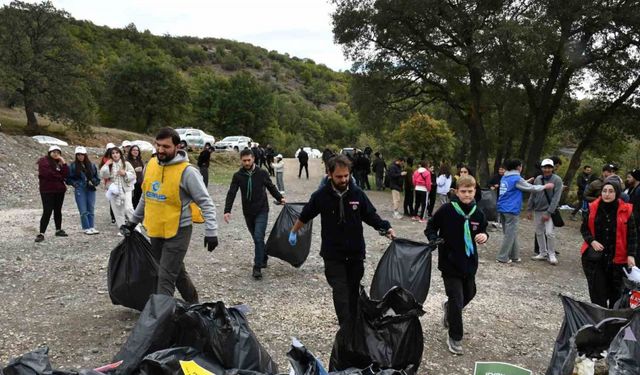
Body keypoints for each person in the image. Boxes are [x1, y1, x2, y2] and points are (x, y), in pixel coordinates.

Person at [289, 155, 395, 326]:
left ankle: (354, 324)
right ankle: (346, 330)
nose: (344, 179)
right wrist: (293, 231)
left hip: (355, 253)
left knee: (353, 290)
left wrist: (385, 228)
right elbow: (306, 215)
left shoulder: (357, 193)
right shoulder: (321, 196)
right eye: (339, 176)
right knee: (340, 291)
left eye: (346, 175)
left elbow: (369, 215)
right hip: (333, 254)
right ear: (329, 174)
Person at [122, 127, 218, 304]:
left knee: (165, 276)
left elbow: (206, 202)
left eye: (165, 146)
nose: (160, 150)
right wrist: (132, 222)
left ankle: (159, 323)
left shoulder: (188, 172)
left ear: (177, 146)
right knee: (176, 271)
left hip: (178, 231)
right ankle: (195, 305)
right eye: (158, 145)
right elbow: (146, 195)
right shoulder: (150, 165)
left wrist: (211, 231)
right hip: (156, 230)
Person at [425, 175, 488, 355]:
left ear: (475, 191)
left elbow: (482, 229)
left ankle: (449, 309)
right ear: (456, 192)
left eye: (470, 191)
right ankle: (455, 336)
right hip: (450, 263)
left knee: (470, 293)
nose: (467, 195)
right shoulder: (446, 210)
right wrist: (433, 238)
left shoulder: (478, 212)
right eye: (463, 191)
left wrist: (484, 236)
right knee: (457, 299)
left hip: (469, 263)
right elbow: (430, 227)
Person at [224, 149, 285, 280]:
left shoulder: (262, 173)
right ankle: (263, 256)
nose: (246, 163)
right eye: (244, 160)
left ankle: (257, 267)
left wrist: (280, 198)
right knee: (256, 238)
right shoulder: (238, 176)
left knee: (258, 237)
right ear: (241, 160)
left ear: (253, 159)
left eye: (249, 160)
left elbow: (271, 186)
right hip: (248, 212)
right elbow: (231, 192)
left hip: (262, 210)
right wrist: (227, 210)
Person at [580, 181, 637, 308]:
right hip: (597, 258)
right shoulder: (592, 207)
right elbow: (584, 229)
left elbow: (632, 235)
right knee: (597, 292)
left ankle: (612, 321)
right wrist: (592, 241)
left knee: (616, 294)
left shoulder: (626, 210)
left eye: (611, 191)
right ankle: (599, 319)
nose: (607, 194)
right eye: (604, 191)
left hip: (618, 259)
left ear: (617, 193)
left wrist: (631, 255)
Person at [496, 159, 554, 264]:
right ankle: (502, 257)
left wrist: (525, 181)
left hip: (502, 207)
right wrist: (545, 186)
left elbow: (514, 186)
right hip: (511, 209)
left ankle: (514, 256)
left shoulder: (505, 176)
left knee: (510, 233)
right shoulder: (516, 178)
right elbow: (531, 188)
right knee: (510, 234)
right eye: (521, 166)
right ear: (518, 167)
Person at [527, 159, 564, 265]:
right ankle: (542, 253)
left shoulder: (557, 180)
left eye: (549, 167)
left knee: (549, 233)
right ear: (542, 168)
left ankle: (551, 254)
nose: (547, 169)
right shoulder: (538, 178)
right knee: (539, 232)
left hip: (549, 211)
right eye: (545, 167)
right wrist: (529, 209)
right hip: (537, 210)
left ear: (552, 168)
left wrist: (548, 212)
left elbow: (556, 198)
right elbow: (533, 193)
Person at [35, 145, 70, 242]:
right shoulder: (43, 161)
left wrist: (64, 163)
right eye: (54, 152)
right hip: (47, 190)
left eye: (58, 152)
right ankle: (41, 233)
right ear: (49, 152)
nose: (56, 154)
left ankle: (58, 229)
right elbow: (47, 174)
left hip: (59, 190)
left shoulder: (59, 163)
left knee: (58, 210)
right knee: (47, 211)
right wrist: (60, 176)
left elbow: (66, 174)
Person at [100, 146, 136, 233]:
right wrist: (106, 165)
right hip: (114, 190)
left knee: (128, 208)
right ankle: (123, 229)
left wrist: (125, 173)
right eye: (113, 153)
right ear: (110, 155)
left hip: (126, 189)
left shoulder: (126, 164)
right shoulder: (109, 165)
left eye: (117, 153)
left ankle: (135, 228)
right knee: (117, 211)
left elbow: (134, 175)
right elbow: (103, 175)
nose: (115, 155)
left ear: (120, 154)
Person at [66, 146, 100, 235]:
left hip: (90, 189)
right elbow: (68, 179)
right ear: (76, 155)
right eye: (78, 154)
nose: (80, 156)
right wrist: (75, 184)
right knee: (83, 209)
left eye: (82, 154)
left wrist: (94, 182)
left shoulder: (92, 165)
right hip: (80, 189)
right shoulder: (73, 166)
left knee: (91, 208)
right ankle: (86, 227)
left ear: (85, 155)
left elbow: (97, 177)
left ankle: (92, 226)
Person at [100, 143, 117, 224]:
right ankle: (113, 216)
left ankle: (117, 215)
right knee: (112, 199)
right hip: (109, 182)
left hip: (116, 181)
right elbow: (103, 171)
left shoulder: (116, 158)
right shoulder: (105, 159)